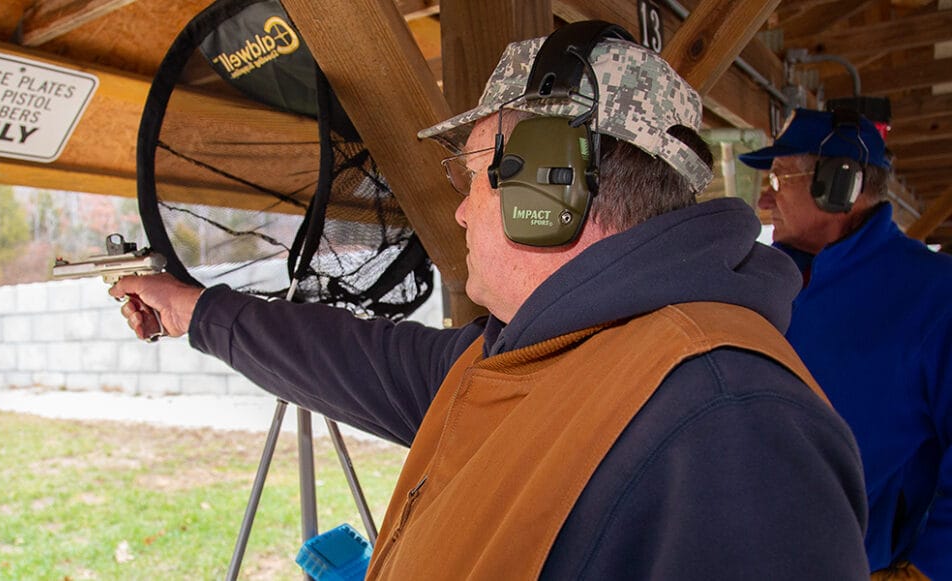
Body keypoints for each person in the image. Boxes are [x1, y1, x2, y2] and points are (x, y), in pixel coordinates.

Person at [113, 23, 871, 579]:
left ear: (551, 186)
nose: (461, 212)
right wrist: (191, 310)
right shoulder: (534, 355)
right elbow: (356, 359)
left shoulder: (729, 421)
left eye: (471, 176)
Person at [740, 108, 952, 580]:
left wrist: (931, 568)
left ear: (840, 184)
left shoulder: (937, 295)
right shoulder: (770, 283)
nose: (765, 201)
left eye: (779, 179)